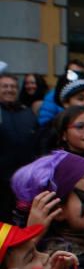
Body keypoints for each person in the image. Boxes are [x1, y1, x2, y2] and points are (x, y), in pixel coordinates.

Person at [0, 73, 39, 221]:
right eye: (5, 86)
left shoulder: (27, 112)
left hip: (25, 179)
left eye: (13, 87)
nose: (10, 90)